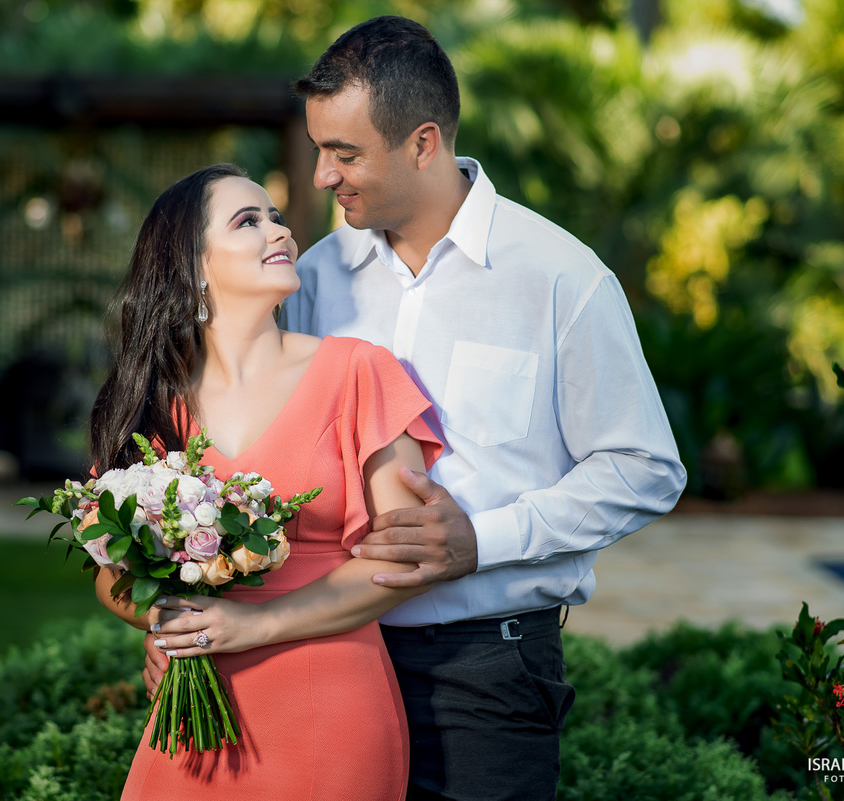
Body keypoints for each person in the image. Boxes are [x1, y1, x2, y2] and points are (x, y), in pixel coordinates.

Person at [277, 15, 686, 801]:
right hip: (331, 653)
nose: (323, 175)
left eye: (345, 153)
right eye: (320, 148)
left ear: (423, 143)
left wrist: (484, 538)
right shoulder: (317, 277)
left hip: (487, 675)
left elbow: (645, 469)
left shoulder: (562, 277)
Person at [88, 163, 444, 800]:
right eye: (248, 221)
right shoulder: (149, 404)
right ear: (192, 265)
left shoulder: (359, 372)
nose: (278, 231)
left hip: (329, 706)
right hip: (194, 719)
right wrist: (166, 625)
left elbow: (405, 560)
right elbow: (110, 575)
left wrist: (252, 625)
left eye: (275, 217)